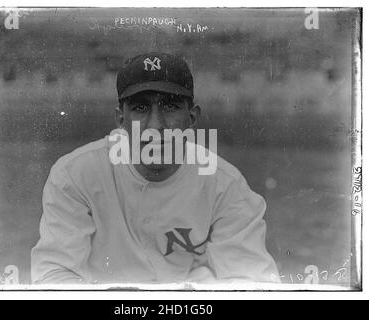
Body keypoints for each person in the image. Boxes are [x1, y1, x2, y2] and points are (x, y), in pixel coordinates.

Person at [31, 52, 279, 285]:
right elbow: (53, 273)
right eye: (140, 108)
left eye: (170, 107)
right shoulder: (75, 174)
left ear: (191, 118)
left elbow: (253, 283)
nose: (155, 125)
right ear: (120, 119)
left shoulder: (226, 186)